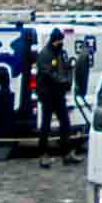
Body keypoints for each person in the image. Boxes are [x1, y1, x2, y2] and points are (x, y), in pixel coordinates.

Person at [37, 27, 74, 164]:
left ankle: (66, 153)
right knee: (46, 125)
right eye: (59, 41)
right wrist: (62, 80)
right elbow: (48, 73)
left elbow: (67, 68)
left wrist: (68, 79)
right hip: (47, 94)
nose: (60, 43)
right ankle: (42, 154)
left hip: (58, 94)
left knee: (65, 123)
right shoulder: (45, 54)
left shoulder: (61, 53)